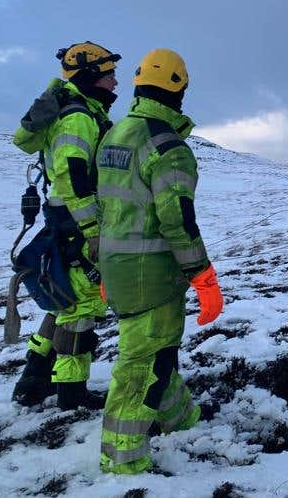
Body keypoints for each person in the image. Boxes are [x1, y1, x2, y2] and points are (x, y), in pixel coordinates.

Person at [96, 48, 223, 474]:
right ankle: (123, 460)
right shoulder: (170, 148)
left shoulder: (114, 136)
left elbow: (103, 210)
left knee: (157, 352)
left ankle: (180, 419)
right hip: (151, 276)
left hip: (116, 268)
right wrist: (203, 278)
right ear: (179, 87)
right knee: (143, 364)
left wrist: (101, 266)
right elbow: (178, 224)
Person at [11, 42, 121, 410]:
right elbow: (74, 180)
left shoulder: (78, 112)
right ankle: (71, 392)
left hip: (64, 221)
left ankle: (33, 379)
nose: (115, 83)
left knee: (64, 304)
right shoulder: (79, 118)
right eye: (108, 76)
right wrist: (94, 232)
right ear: (90, 77)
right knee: (82, 308)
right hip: (77, 223)